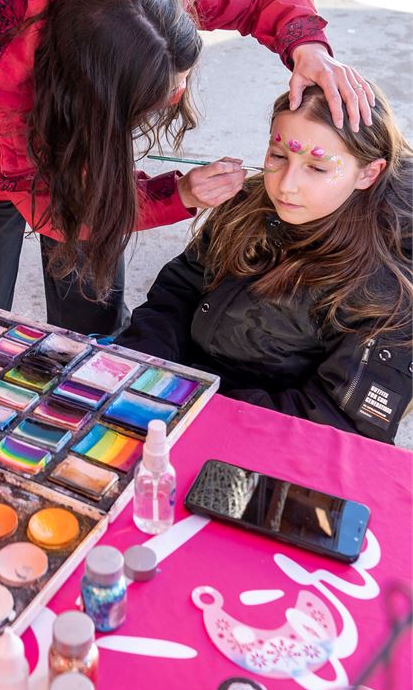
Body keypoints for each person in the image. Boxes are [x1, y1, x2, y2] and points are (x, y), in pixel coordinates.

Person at [0, 0, 375, 343]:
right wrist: (180, 196)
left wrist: (308, 46)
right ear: (98, 98)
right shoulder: (1, 81)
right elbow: (66, 212)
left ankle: (92, 377)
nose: (179, 95)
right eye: (161, 88)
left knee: (90, 300)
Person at [114, 84, 412, 443]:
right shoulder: (249, 203)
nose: (286, 186)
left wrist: (197, 406)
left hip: (259, 438)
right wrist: (145, 364)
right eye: (278, 155)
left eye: (316, 167)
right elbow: (179, 290)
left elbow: (338, 422)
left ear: (369, 173)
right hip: (178, 397)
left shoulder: (389, 284)